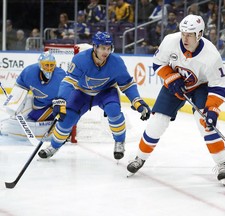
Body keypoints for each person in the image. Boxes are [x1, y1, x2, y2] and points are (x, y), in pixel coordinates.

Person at [127, 14, 225, 186]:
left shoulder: (211, 56)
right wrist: (170, 77)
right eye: (183, 33)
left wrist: (212, 109)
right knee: (157, 122)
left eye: (190, 34)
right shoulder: (170, 41)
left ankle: (222, 164)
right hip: (175, 83)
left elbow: (218, 86)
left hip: (201, 86)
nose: (185, 38)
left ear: (199, 34)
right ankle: (140, 158)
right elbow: (158, 63)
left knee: (205, 122)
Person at [38, 31, 151, 160]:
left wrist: (137, 101)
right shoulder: (80, 59)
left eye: (109, 48)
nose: (106, 52)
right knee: (67, 119)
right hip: (81, 92)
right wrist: (61, 100)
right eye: (103, 48)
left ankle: (119, 142)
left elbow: (127, 84)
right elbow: (69, 80)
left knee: (114, 111)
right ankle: (54, 146)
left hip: (106, 92)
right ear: (95, 47)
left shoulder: (116, 62)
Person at [3, 52, 66, 139]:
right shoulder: (29, 72)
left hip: (52, 105)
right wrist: (14, 103)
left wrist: (60, 105)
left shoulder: (61, 76)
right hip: (37, 103)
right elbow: (19, 88)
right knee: (16, 115)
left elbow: (69, 93)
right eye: (46, 65)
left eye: (52, 65)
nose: (49, 68)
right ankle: (11, 127)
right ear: (40, 64)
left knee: (36, 119)